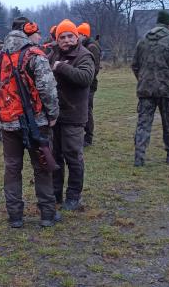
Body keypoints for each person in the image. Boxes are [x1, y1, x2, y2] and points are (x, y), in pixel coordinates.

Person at [0, 17, 61, 228]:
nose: (40, 37)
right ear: (28, 32)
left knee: (12, 169)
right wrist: (53, 114)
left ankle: (15, 216)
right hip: (37, 122)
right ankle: (48, 214)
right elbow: (47, 88)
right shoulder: (35, 55)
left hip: (8, 124)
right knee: (42, 166)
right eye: (37, 33)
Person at [47, 19, 95, 211]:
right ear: (57, 39)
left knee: (73, 158)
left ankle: (74, 196)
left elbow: (86, 78)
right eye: (62, 37)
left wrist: (61, 67)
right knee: (55, 157)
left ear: (77, 37)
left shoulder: (85, 55)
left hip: (74, 116)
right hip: (54, 116)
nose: (66, 40)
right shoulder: (53, 53)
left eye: (70, 36)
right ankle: (56, 194)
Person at [131, 10, 169, 166]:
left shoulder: (143, 40)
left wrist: (143, 80)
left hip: (146, 90)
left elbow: (135, 64)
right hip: (167, 89)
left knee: (143, 122)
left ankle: (139, 157)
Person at [77, 23, 101, 147]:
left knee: (87, 110)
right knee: (82, 110)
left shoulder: (92, 47)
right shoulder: (85, 46)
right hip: (83, 83)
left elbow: (94, 69)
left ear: (83, 35)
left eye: (78, 34)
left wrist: (84, 78)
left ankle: (88, 137)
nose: (76, 37)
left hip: (89, 84)